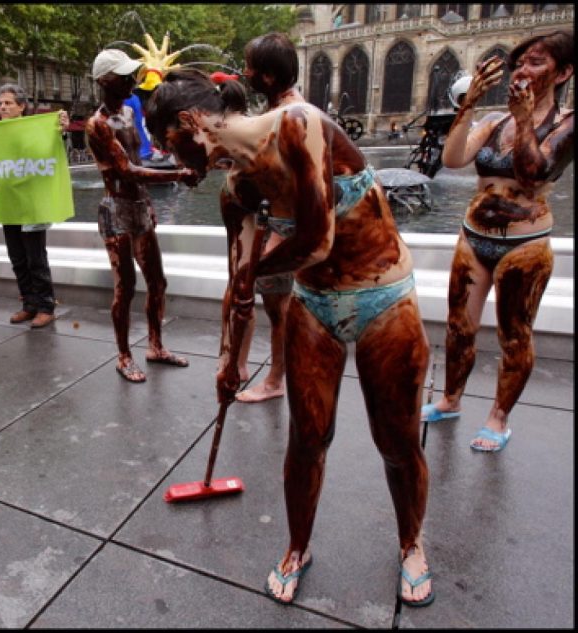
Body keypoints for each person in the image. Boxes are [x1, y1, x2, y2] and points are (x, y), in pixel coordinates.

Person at [146, 62, 433, 607]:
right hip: (315, 305)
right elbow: (238, 283)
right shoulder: (237, 191)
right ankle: (297, 547)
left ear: (192, 123)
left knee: (395, 442)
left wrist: (252, 275)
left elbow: (317, 240)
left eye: (170, 144)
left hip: (383, 297)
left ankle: (411, 544)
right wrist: (228, 361)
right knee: (307, 440)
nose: (174, 161)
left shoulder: (299, 124)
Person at [427, 31, 573, 452]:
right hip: (475, 238)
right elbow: (453, 159)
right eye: (521, 62)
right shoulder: (494, 122)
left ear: (564, 72)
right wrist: (469, 104)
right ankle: (451, 400)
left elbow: (533, 174)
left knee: (514, 336)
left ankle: (498, 418)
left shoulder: (566, 124)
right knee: (458, 328)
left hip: (524, 247)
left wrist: (527, 119)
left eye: (537, 62)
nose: (522, 70)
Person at [85, 49, 200, 383]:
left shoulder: (128, 116)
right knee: (126, 287)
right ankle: (123, 355)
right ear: (105, 81)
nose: (131, 81)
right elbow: (127, 170)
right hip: (116, 210)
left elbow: (142, 160)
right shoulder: (98, 125)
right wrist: (179, 175)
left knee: (157, 281)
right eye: (124, 76)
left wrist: (154, 195)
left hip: (138, 208)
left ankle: (155, 347)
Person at [225, 38, 300, 404]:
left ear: (269, 76)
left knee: (278, 307)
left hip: (285, 228)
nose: (246, 72)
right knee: (271, 304)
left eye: (251, 67)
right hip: (274, 224)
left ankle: (275, 380)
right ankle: (256, 371)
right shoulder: (277, 111)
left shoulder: (289, 116)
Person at [0, 83, 68, 328]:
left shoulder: (36, 129)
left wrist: (62, 127)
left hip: (32, 204)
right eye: (0, 103)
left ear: (21, 107)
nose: (3, 107)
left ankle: (46, 306)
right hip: (9, 204)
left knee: (36, 258)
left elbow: (53, 141)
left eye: (8, 103)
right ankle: (29, 305)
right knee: (17, 258)